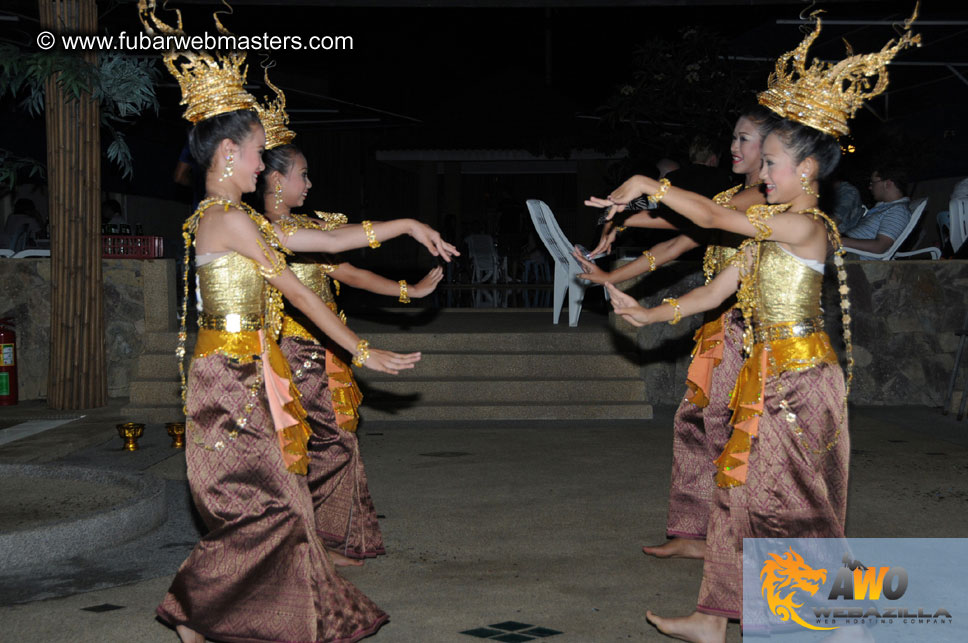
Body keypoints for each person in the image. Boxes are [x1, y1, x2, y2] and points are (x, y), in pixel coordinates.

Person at [138, 3, 457, 642]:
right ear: (229, 152)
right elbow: (297, 292)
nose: (264, 167)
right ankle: (192, 610)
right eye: (259, 154)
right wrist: (360, 350)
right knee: (272, 506)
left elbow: (327, 244)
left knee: (277, 503)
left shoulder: (241, 219)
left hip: (249, 371)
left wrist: (405, 224)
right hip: (229, 376)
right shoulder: (226, 219)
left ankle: (202, 616)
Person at [594, 12, 916, 640]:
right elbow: (715, 290)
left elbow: (719, 221)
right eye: (762, 163)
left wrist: (651, 186)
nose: (761, 176)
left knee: (791, 503)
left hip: (801, 382)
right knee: (736, 489)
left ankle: (839, 612)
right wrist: (646, 312)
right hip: (768, 375)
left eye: (771, 164)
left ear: (808, 170)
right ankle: (714, 619)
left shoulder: (804, 226)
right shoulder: (770, 228)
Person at [255, 83, 442, 566]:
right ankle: (304, 541)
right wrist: (406, 225)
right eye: (302, 174)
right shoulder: (264, 230)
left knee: (338, 440)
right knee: (323, 445)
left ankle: (326, 539)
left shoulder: (306, 226)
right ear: (274, 178)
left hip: (326, 348)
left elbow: (350, 272)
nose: (309, 183)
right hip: (294, 352)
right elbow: (336, 248)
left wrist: (410, 292)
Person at [578, 105, 774, 560]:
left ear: (770, 148)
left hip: (750, 331)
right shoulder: (731, 196)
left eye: (744, 139)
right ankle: (693, 533)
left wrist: (644, 194)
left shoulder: (764, 198)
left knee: (731, 431)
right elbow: (674, 242)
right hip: (719, 327)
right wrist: (613, 256)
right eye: (733, 137)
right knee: (696, 422)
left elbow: (703, 216)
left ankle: (736, 537)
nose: (733, 147)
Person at [840, 164, 912, 255]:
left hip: (851, 255)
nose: (870, 187)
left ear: (888, 184)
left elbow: (880, 247)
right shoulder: (884, 207)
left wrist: (841, 241)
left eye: (872, 183)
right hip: (844, 248)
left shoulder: (899, 210)